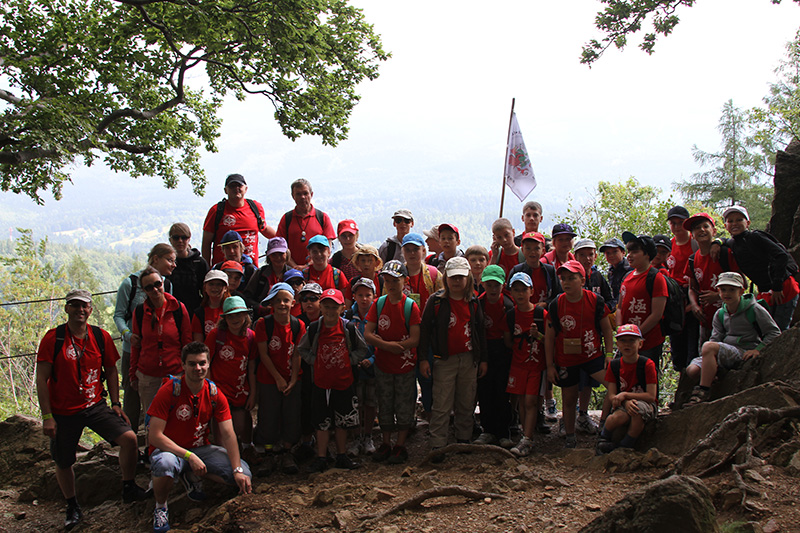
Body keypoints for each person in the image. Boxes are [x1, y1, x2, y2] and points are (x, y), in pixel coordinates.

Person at [37, 289, 147, 530]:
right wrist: (47, 416)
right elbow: (41, 378)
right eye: (75, 305)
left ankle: (128, 486)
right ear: (66, 308)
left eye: (84, 306)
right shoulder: (54, 339)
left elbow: (111, 370)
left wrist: (116, 403)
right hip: (63, 411)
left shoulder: (100, 336)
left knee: (129, 439)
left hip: (95, 405)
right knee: (64, 460)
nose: (80, 310)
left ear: (90, 309)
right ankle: (72, 505)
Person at [148, 342, 252, 533]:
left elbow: (228, 434)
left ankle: (188, 473)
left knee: (243, 474)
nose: (198, 368)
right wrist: (189, 456)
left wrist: (237, 469)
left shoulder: (213, 393)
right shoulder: (169, 391)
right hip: (170, 450)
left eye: (202, 363)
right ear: (183, 365)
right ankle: (160, 507)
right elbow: (154, 436)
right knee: (165, 464)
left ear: (208, 363)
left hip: (200, 449)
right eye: (192, 364)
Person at [419, 257, 488, 463]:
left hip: (468, 358)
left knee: (466, 400)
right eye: (453, 277)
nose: (457, 281)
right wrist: (423, 359)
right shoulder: (436, 301)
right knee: (442, 402)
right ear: (446, 279)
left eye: (460, 277)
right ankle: (438, 443)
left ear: (468, 278)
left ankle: (463, 438)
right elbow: (425, 331)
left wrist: (483, 359)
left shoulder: (473, 301)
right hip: (444, 359)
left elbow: (480, 332)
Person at [298, 289, 369, 473]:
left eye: (334, 307)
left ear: (342, 308)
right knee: (321, 421)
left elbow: (362, 348)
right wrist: (315, 361)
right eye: (326, 306)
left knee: (342, 420)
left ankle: (341, 455)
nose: (330, 311)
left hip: (344, 381)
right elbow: (302, 349)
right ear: (321, 307)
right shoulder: (315, 328)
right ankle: (322, 457)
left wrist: (349, 360)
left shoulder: (348, 328)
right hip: (321, 382)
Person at [544, 261, 613, 449]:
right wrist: (550, 366)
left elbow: (607, 329)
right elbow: (549, 337)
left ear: (582, 280)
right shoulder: (556, 304)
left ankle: (604, 426)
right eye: (563, 279)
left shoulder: (595, 301)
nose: (566, 282)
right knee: (569, 398)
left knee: (614, 384)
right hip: (566, 358)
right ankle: (570, 435)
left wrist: (608, 354)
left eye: (571, 278)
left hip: (592, 354)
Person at [685, 272, 781, 405]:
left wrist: (758, 349)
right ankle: (714, 375)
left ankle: (703, 391)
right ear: (718, 291)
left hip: (744, 350)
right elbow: (716, 338)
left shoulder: (754, 309)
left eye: (732, 289)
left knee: (707, 346)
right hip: (726, 351)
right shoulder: (720, 313)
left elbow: (774, 332)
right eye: (723, 289)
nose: (727, 293)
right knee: (692, 370)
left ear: (741, 291)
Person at [364, 261, 422, 465]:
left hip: (405, 366)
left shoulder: (410, 306)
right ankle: (386, 442)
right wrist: (388, 346)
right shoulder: (379, 304)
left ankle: (400, 444)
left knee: (404, 403)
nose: (390, 285)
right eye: (387, 281)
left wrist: (396, 346)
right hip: (383, 364)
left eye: (395, 281)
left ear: (404, 281)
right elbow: (368, 333)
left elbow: (415, 338)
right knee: (385, 403)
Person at [113, 243, 177, 429]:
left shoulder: (167, 284)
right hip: (132, 349)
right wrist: (127, 334)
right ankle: (130, 437)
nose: (173, 265)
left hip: (160, 353)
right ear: (156, 259)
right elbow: (119, 314)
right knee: (132, 395)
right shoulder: (130, 284)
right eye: (170, 260)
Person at [719, 205, 800, 330]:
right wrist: (717, 242)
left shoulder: (755, 237)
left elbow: (781, 255)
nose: (735, 223)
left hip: (783, 288)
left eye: (739, 220)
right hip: (765, 291)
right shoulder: (733, 243)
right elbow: (725, 240)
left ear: (748, 223)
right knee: (764, 328)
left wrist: (777, 286)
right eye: (730, 221)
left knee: (778, 329)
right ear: (726, 226)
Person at [253, 283, 306, 475]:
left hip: (292, 378)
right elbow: (263, 354)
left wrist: (293, 379)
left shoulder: (298, 325)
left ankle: (287, 452)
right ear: (272, 303)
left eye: (286, 300)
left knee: (291, 415)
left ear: (293, 302)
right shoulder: (263, 324)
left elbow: (297, 354)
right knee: (268, 415)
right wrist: (278, 378)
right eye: (278, 300)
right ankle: (268, 453)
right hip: (268, 378)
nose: (282, 304)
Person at [130, 266, 192, 416]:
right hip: (148, 376)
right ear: (144, 290)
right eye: (149, 287)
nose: (155, 290)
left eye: (157, 284)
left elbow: (187, 342)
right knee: (151, 419)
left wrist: (187, 371)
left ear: (163, 282)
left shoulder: (178, 308)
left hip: (175, 374)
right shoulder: (140, 312)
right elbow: (136, 345)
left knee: (177, 417)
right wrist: (133, 374)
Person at [501, 272, 546, 457]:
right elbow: (507, 341)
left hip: (536, 366)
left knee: (530, 401)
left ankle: (527, 438)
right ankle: (525, 435)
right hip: (518, 365)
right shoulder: (510, 315)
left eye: (524, 290)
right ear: (511, 292)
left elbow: (551, 340)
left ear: (531, 291)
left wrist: (538, 336)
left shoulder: (540, 314)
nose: (520, 294)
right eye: (516, 290)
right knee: (520, 400)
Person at [596, 324, 658, 454]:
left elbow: (651, 396)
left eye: (632, 340)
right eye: (623, 340)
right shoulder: (614, 365)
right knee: (615, 418)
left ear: (640, 344)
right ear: (618, 344)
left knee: (637, 411)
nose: (627, 344)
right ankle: (603, 440)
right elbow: (612, 394)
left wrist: (625, 395)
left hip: (645, 403)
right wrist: (624, 401)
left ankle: (625, 446)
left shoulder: (647, 364)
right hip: (622, 402)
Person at [206, 296, 257, 448]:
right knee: (221, 427)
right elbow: (206, 363)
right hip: (219, 389)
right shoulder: (216, 335)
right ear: (225, 318)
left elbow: (252, 367)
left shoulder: (250, 337)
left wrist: (253, 393)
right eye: (231, 316)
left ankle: (247, 448)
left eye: (239, 314)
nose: (235, 319)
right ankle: (222, 453)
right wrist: (210, 389)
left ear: (245, 315)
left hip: (240, 389)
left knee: (241, 425)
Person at [683, 213, 741, 349]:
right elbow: (692, 288)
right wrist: (694, 305)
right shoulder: (692, 260)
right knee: (705, 353)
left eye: (705, 226)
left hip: (730, 319)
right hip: (705, 319)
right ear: (692, 235)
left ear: (714, 231)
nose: (702, 230)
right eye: (697, 228)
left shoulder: (726, 254)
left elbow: (742, 284)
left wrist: (718, 295)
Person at [474, 265, 514, 447]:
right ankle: (488, 430)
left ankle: (504, 431)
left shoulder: (508, 304)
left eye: (496, 285)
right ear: (482, 283)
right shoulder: (478, 304)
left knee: (502, 391)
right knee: (485, 390)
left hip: (503, 351)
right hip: (485, 350)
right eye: (489, 285)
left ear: (503, 285)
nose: (492, 289)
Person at [619, 232, 668, 371]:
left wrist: (636, 335)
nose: (629, 255)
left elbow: (656, 314)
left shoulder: (656, 278)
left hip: (649, 342)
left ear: (647, 254)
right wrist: (620, 331)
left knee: (647, 376)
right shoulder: (627, 277)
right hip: (627, 341)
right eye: (629, 251)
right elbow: (620, 307)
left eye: (635, 252)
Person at [202, 173, 274, 266]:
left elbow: (264, 228)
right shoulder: (216, 211)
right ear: (225, 190)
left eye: (239, 185)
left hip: (250, 269)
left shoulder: (255, 207)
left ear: (246, 189)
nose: (236, 188)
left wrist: (283, 241)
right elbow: (206, 243)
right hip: (224, 269)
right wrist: (206, 268)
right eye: (232, 186)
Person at [344, 277, 378, 456]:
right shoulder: (348, 317)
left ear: (374, 296)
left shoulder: (378, 316)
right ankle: (356, 438)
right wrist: (352, 360)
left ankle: (368, 436)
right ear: (354, 296)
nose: (364, 299)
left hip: (372, 368)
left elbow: (383, 341)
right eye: (360, 295)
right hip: (354, 369)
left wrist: (372, 359)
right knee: (355, 404)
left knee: (371, 403)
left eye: (368, 295)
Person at [276, 178, 336, 268]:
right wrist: (295, 267)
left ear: (311, 194)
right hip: (292, 271)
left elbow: (328, 247)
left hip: (317, 269)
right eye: (298, 194)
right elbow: (281, 248)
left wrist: (308, 265)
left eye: (305, 193)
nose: (302, 197)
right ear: (293, 196)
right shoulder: (286, 218)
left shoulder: (322, 217)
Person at [166, 222, 209, 316]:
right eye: (176, 237)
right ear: (170, 240)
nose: (180, 241)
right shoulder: (166, 263)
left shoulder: (199, 263)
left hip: (194, 310)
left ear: (189, 239)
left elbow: (206, 289)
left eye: (184, 237)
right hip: (170, 311)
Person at [243, 236, 292, 316]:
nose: (278, 258)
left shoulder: (292, 274)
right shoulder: (260, 273)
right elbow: (247, 297)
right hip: (263, 316)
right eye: (274, 255)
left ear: (287, 254)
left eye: (281, 254)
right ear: (268, 256)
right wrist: (259, 307)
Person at [304, 234, 351, 299]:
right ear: (309, 253)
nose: (319, 254)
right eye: (314, 252)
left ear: (329, 252)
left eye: (322, 251)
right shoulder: (305, 274)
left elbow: (345, 298)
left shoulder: (337, 275)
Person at [192, 270, 230, 343]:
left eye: (219, 284)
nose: (214, 287)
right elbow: (198, 342)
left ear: (225, 288)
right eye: (211, 284)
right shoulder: (199, 313)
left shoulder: (231, 310)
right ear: (205, 287)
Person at [599, 237, 633, 310]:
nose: (611, 255)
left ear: (623, 252)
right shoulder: (611, 272)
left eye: (615, 252)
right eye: (608, 253)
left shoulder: (631, 269)